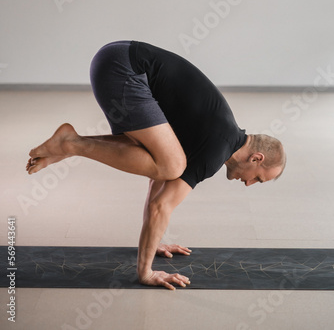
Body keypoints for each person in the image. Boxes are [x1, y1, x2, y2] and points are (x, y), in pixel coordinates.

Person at [26, 40, 286, 290]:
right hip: (123, 67)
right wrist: (146, 272)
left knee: (166, 164)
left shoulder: (219, 135)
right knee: (172, 165)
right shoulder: (215, 149)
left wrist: (155, 241)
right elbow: (162, 205)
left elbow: (157, 190)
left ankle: (70, 142)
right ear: (256, 158)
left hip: (116, 58)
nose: (250, 184)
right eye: (258, 178)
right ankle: (71, 144)